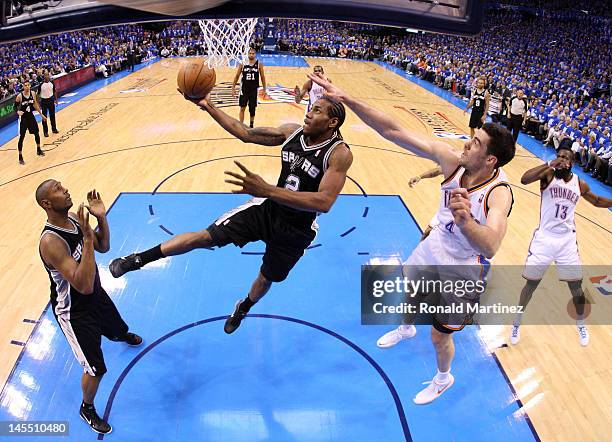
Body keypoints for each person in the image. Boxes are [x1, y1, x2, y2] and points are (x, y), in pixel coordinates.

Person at [309, 73, 515, 404]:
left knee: (438, 335)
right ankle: (405, 327)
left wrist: (465, 222)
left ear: (490, 159)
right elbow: (393, 131)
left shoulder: (498, 194)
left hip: (463, 268)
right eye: (470, 137)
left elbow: (490, 245)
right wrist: (347, 99)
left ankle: (443, 377)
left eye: (475, 143)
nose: (466, 143)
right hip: (435, 246)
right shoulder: (453, 163)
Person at [109, 91, 353, 334]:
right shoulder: (292, 132)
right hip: (267, 211)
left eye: (317, 111)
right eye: (310, 108)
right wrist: (208, 106)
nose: (308, 114)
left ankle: (243, 307)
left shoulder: (339, 154)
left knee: (267, 278)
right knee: (204, 237)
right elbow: (245, 133)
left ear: (332, 122)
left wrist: (267, 189)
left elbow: (324, 202)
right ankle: (138, 259)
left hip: (297, 229)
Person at [37, 180, 143, 434]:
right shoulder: (50, 242)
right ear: (47, 204)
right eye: (58, 190)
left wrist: (102, 218)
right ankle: (87, 407)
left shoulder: (74, 218)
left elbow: (103, 246)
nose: (66, 190)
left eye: (63, 186)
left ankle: (118, 334)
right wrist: (86, 238)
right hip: (75, 313)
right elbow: (82, 285)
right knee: (96, 369)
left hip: (96, 295)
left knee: (118, 329)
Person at [510, 140, 612, 347]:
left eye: (566, 158)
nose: (562, 160)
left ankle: (580, 323)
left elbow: (597, 201)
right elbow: (523, 179)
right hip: (545, 238)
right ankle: (516, 322)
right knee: (531, 284)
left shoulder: (579, 184)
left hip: (566, 241)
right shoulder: (548, 175)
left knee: (576, 286)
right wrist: (549, 164)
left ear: (572, 163)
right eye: (560, 156)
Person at [232, 48, 267, 128]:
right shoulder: (243, 63)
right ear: (248, 54)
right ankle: (241, 125)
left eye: (253, 53)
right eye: (250, 53)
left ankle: (251, 125)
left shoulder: (259, 64)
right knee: (242, 107)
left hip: (254, 90)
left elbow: (262, 77)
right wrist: (233, 88)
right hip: (244, 89)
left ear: (255, 54)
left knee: (252, 109)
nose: (251, 55)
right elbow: (237, 76)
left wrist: (264, 89)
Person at [15, 81, 47, 165]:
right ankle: (20, 157)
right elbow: (14, 107)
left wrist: (41, 114)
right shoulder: (19, 96)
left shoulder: (32, 93)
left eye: (28, 85)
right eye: (25, 85)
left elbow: (35, 104)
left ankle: (39, 150)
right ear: (23, 86)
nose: (27, 86)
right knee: (22, 137)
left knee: (37, 132)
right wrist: (18, 111)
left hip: (30, 116)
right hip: (23, 118)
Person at [408, 166, 443, 241]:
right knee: (428, 233)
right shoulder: (457, 165)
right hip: (447, 209)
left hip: (464, 215)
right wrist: (419, 177)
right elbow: (439, 170)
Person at [39, 71, 59, 137]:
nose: (47, 76)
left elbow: (54, 91)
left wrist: (56, 99)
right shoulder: (41, 85)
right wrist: (37, 103)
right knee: (44, 117)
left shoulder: (52, 83)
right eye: (45, 75)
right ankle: (45, 132)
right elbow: (37, 94)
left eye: (48, 75)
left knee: (52, 115)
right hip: (44, 101)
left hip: (51, 100)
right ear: (43, 76)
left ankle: (54, 129)